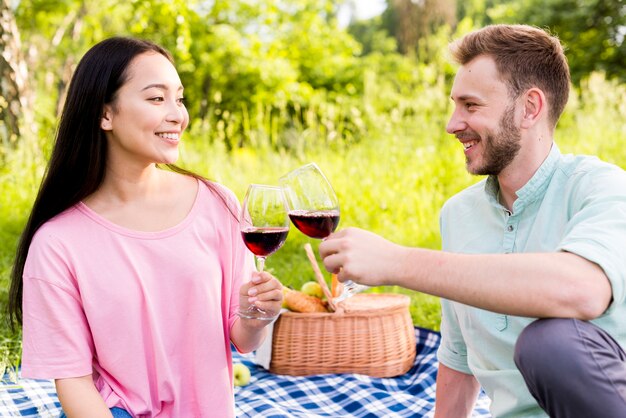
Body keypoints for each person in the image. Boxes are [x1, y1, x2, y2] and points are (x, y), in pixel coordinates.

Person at [319, 24, 626, 418]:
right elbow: (458, 355)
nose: (452, 124)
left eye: (471, 105)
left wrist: (397, 262)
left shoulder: (604, 188)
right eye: (454, 105)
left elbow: (582, 290)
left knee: (551, 344)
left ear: (530, 108)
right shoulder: (459, 215)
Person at [7, 37, 283, 417]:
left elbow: (242, 339)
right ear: (105, 114)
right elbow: (73, 382)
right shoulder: (57, 244)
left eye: (179, 99)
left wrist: (256, 315)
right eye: (156, 98)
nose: (177, 115)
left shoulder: (218, 205)